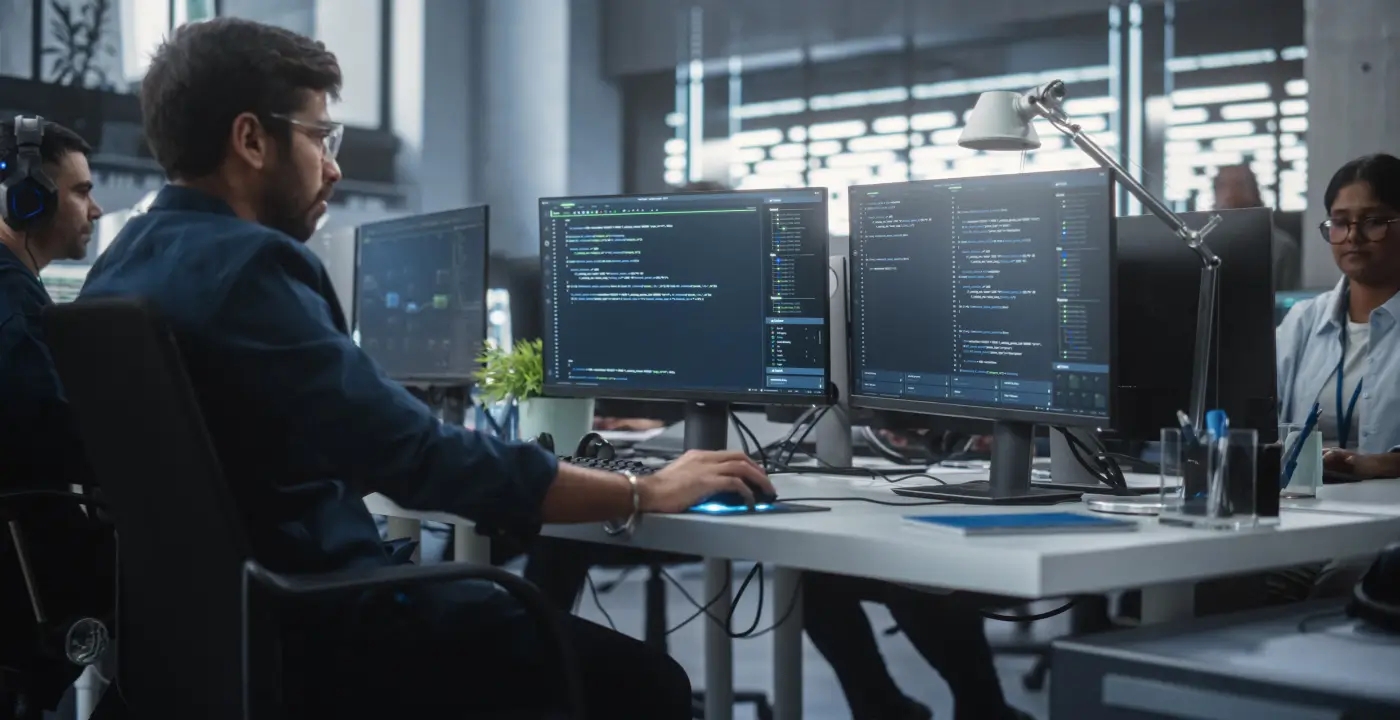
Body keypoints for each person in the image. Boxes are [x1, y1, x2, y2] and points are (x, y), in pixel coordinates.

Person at [79, 18, 773, 719]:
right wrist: (641, 491)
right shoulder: (250, 268)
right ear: (251, 139)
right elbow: (416, 456)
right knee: (645, 683)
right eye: (321, 137)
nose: (334, 165)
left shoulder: (115, 271)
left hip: (190, 647)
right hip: (326, 637)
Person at [0, 117, 110, 712]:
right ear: (28, 199)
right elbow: (58, 438)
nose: (94, 210)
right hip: (21, 598)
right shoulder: (13, 307)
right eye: (81, 191)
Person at [1277, 153, 1400, 479]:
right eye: (1341, 222)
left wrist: (1382, 465)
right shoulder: (1303, 321)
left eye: (1374, 222)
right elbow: (1258, 422)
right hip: (1306, 506)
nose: (1352, 237)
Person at [1214, 164, 1301, 291]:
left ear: (1254, 192)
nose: (1230, 193)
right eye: (1222, 186)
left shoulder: (1281, 247)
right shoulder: (1199, 246)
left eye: (1239, 185)